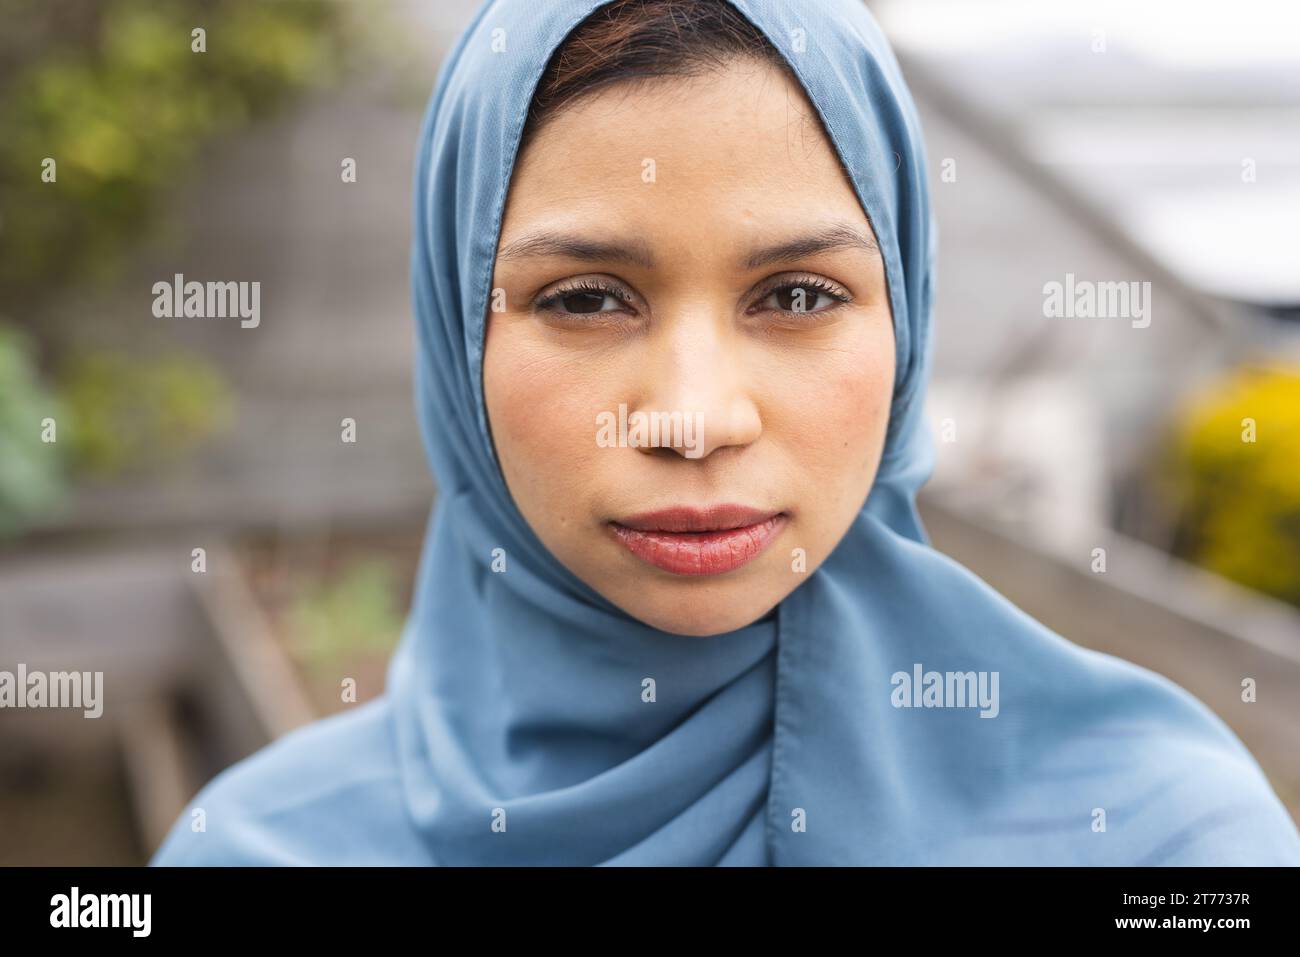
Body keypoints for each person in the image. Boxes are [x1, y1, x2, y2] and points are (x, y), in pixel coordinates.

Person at [150, 0, 1300, 866]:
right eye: (586, 298)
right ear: (457, 341)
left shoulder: (1165, 843)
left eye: (796, 296)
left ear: (906, 316)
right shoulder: (257, 852)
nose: (694, 418)